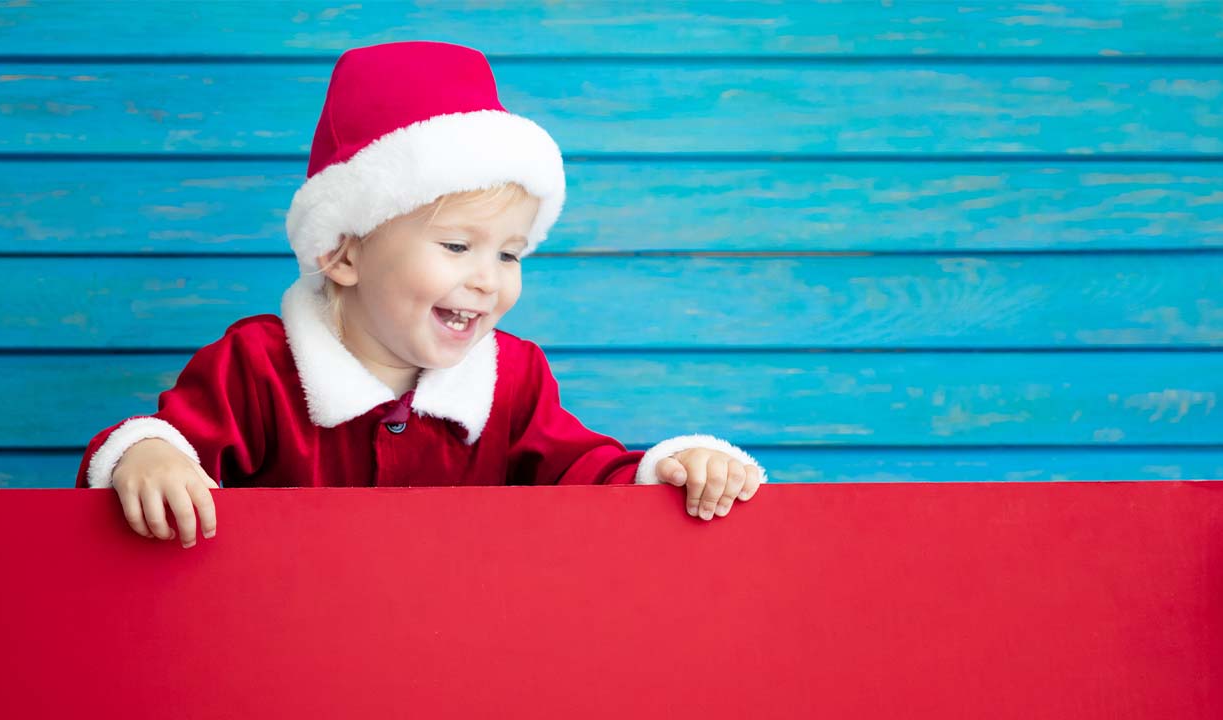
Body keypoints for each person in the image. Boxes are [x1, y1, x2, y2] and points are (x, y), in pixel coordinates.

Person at [74, 41, 766, 548]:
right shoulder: (258, 365)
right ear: (343, 253)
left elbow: (583, 472)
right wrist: (147, 456)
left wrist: (669, 469)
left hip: (451, 650)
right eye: (458, 247)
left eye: (510, 253)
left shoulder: (514, 378)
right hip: (281, 646)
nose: (487, 278)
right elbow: (167, 448)